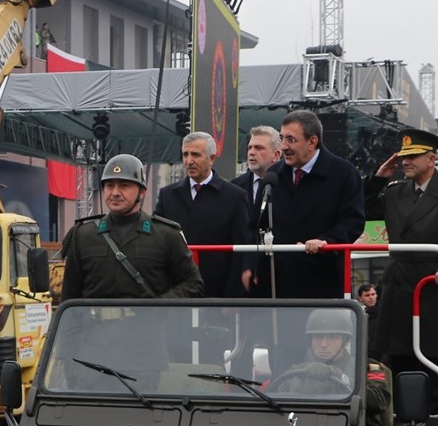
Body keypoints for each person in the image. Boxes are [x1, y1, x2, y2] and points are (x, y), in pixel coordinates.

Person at [365, 129, 438, 414]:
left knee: (436, 364)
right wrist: (377, 179)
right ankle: (402, 423)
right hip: (398, 286)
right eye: (403, 156)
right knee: (398, 361)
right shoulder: (394, 191)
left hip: (434, 289)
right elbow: (366, 211)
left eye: (413, 156)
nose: (405, 161)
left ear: (431, 159)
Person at [250, 109, 366, 299]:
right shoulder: (273, 176)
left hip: (321, 280)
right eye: (282, 138)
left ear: (312, 142)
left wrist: (327, 241)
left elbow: (352, 221)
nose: (284, 146)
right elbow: (255, 225)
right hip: (274, 283)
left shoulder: (343, 173)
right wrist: (251, 266)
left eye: (291, 139)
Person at [60, 153, 204, 301]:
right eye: (110, 185)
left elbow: (193, 284)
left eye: (124, 185)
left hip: (148, 323)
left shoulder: (166, 234)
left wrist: (160, 306)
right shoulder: (83, 235)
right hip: (97, 323)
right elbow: (70, 295)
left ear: (142, 192)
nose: (115, 193)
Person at [154, 131, 253, 297]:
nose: (189, 161)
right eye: (185, 154)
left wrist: (232, 296)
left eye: (196, 155)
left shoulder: (235, 196)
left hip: (217, 292)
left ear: (212, 158)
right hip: (176, 292)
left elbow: (241, 248)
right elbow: (156, 240)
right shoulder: (167, 195)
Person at [272, 308, 391, 426]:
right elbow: (273, 401)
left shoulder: (366, 368)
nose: (324, 344)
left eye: (332, 337)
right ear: (310, 340)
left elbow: (380, 401)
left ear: (346, 341)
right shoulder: (296, 371)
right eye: (318, 337)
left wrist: (338, 375)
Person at [232, 125, 282, 236]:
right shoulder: (235, 186)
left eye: (258, 148)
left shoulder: (288, 183)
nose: (251, 152)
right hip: (246, 251)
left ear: (276, 155)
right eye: (250, 147)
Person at [357, 283, 380, 359]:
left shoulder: (383, 313)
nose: (371, 297)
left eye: (373, 294)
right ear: (360, 298)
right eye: (367, 295)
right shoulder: (356, 314)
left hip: (379, 354)